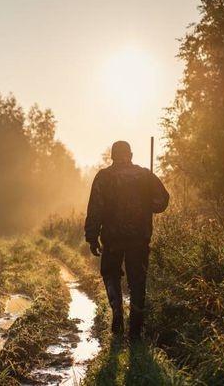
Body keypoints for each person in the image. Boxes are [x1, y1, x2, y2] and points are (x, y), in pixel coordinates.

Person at [84, 140, 169, 340]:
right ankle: (136, 331)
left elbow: (95, 208)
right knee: (137, 281)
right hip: (139, 238)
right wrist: (147, 202)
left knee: (111, 274)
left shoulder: (104, 177)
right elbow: (162, 201)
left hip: (112, 238)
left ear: (112, 156)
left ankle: (117, 313)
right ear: (130, 155)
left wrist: (92, 237)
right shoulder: (145, 175)